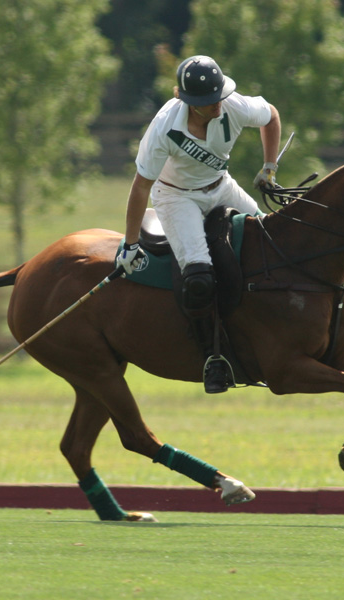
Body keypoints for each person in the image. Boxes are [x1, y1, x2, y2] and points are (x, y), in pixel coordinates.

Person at [116, 55, 281, 394]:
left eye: (217, 97)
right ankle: (213, 358)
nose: (216, 106)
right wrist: (130, 244)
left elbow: (272, 116)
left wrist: (269, 166)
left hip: (221, 186)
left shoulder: (232, 105)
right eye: (207, 103)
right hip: (176, 197)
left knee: (272, 244)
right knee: (200, 278)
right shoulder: (164, 127)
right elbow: (141, 187)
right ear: (187, 102)